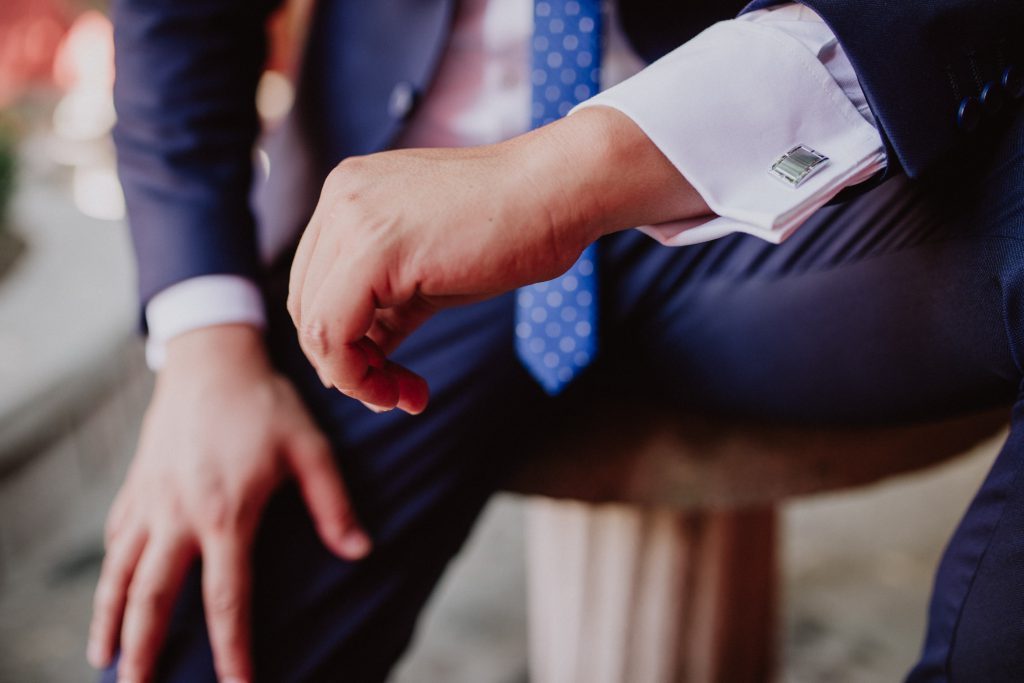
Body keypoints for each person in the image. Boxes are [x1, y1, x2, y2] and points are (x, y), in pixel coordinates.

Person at [89, 0, 1024, 680]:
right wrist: (204, 338)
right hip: (400, 234)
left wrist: (569, 173)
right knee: (196, 633)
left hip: (766, 187)